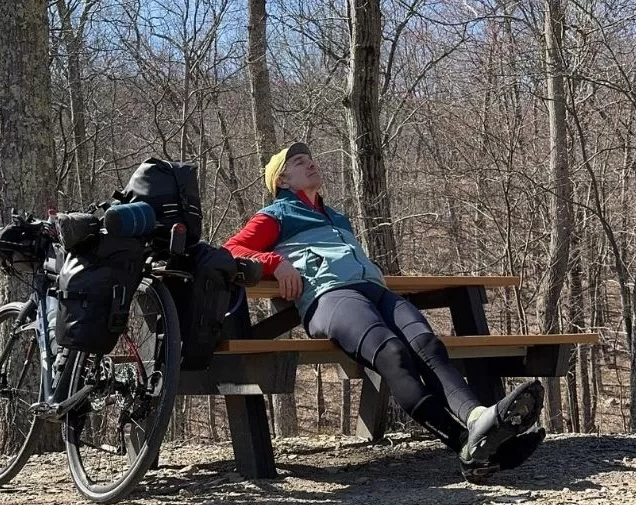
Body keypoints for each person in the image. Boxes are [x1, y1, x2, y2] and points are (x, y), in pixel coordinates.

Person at [223, 142, 546, 482]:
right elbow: (232, 250)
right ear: (283, 181)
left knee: (429, 346)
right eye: (300, 163)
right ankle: (468, 444)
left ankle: (479, 421)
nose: (311, 164)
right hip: (330, 299)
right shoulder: (276, 215)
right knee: (392, 354)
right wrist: (277, 262)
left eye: (311, 159)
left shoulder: (336, 217)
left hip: (376, 292)